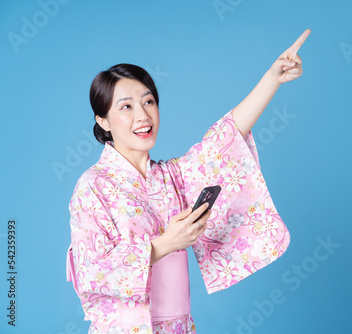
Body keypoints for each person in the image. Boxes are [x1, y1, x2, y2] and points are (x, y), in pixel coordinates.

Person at [66, 28, 311, 334]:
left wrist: (272, 78)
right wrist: (165, 244)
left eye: (149, 102)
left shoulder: (172, 177)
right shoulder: (93, 185)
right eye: (126, 106)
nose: (142, 115)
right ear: (103, 120)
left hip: (180, 327)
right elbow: (92, 272)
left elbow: (223, 140)